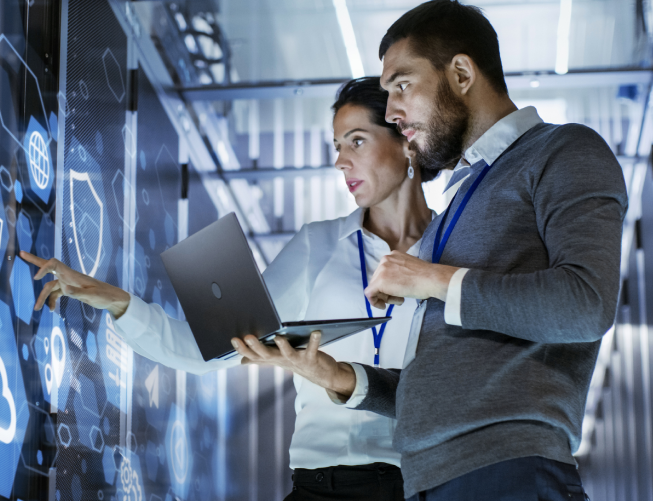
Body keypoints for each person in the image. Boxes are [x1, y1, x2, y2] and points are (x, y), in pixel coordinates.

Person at [231, 2, 629, 501]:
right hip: (429, 480)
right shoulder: (462, 197)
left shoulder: (563, 151)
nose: (394, 111)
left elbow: (586, 304)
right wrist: (339, 377)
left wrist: (433, 279)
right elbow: (436, 387)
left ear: (461, 73)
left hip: (507, 471)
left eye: (402, 85)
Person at [20, 76, 436, 501]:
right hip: (321, 488)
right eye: (337, 147)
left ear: (406, 140)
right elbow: (208, 351)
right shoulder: (319, 245)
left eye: (357, 142)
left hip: (425, 485)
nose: (341, 163)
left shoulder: (453, 255)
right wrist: (116, 301)